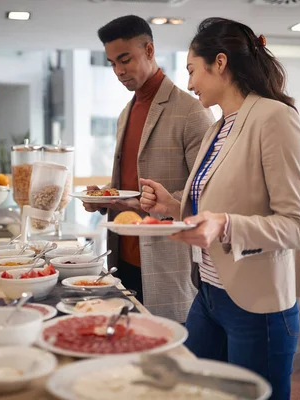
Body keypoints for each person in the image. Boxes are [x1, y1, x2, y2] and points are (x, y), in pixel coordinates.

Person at [139, 17, 300, 400]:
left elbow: (297, 226)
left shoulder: (275, 118)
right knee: (190, 389)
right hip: (210, 293)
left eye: (191, 70)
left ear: (220, 63)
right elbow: (211, 208)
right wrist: (171, 205)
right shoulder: (219, 128)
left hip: (257, 305)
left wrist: (223, 226)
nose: (188, 83)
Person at [83, 15, 214, 322]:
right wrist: (103, 198)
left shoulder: (191, 111)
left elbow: (206, 192)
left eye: (125, 60)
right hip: (122, 254)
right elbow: (128, 184)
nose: (118, 71)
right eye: (112, 63)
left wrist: (159, 203)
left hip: (166, 262)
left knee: (169, 360)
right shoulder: (125, 113)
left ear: (150, 50)